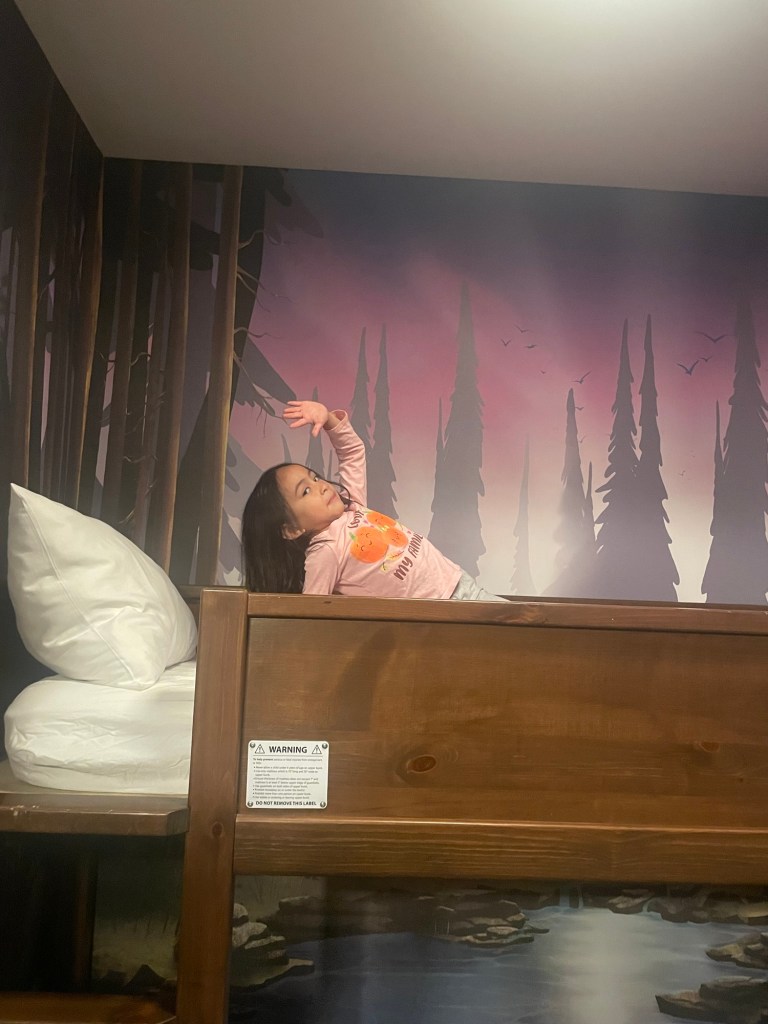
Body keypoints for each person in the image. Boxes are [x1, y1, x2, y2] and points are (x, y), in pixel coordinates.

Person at [242, 399, 505, 601]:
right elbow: (310, 613)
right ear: (291, 529)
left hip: (458, 581)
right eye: (305, 491)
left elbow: (353, 452)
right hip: (439, 610)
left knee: (524, 632)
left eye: (315, 477)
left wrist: (329, 419)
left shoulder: (351, 505)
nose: (320, 486)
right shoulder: (325, 552)